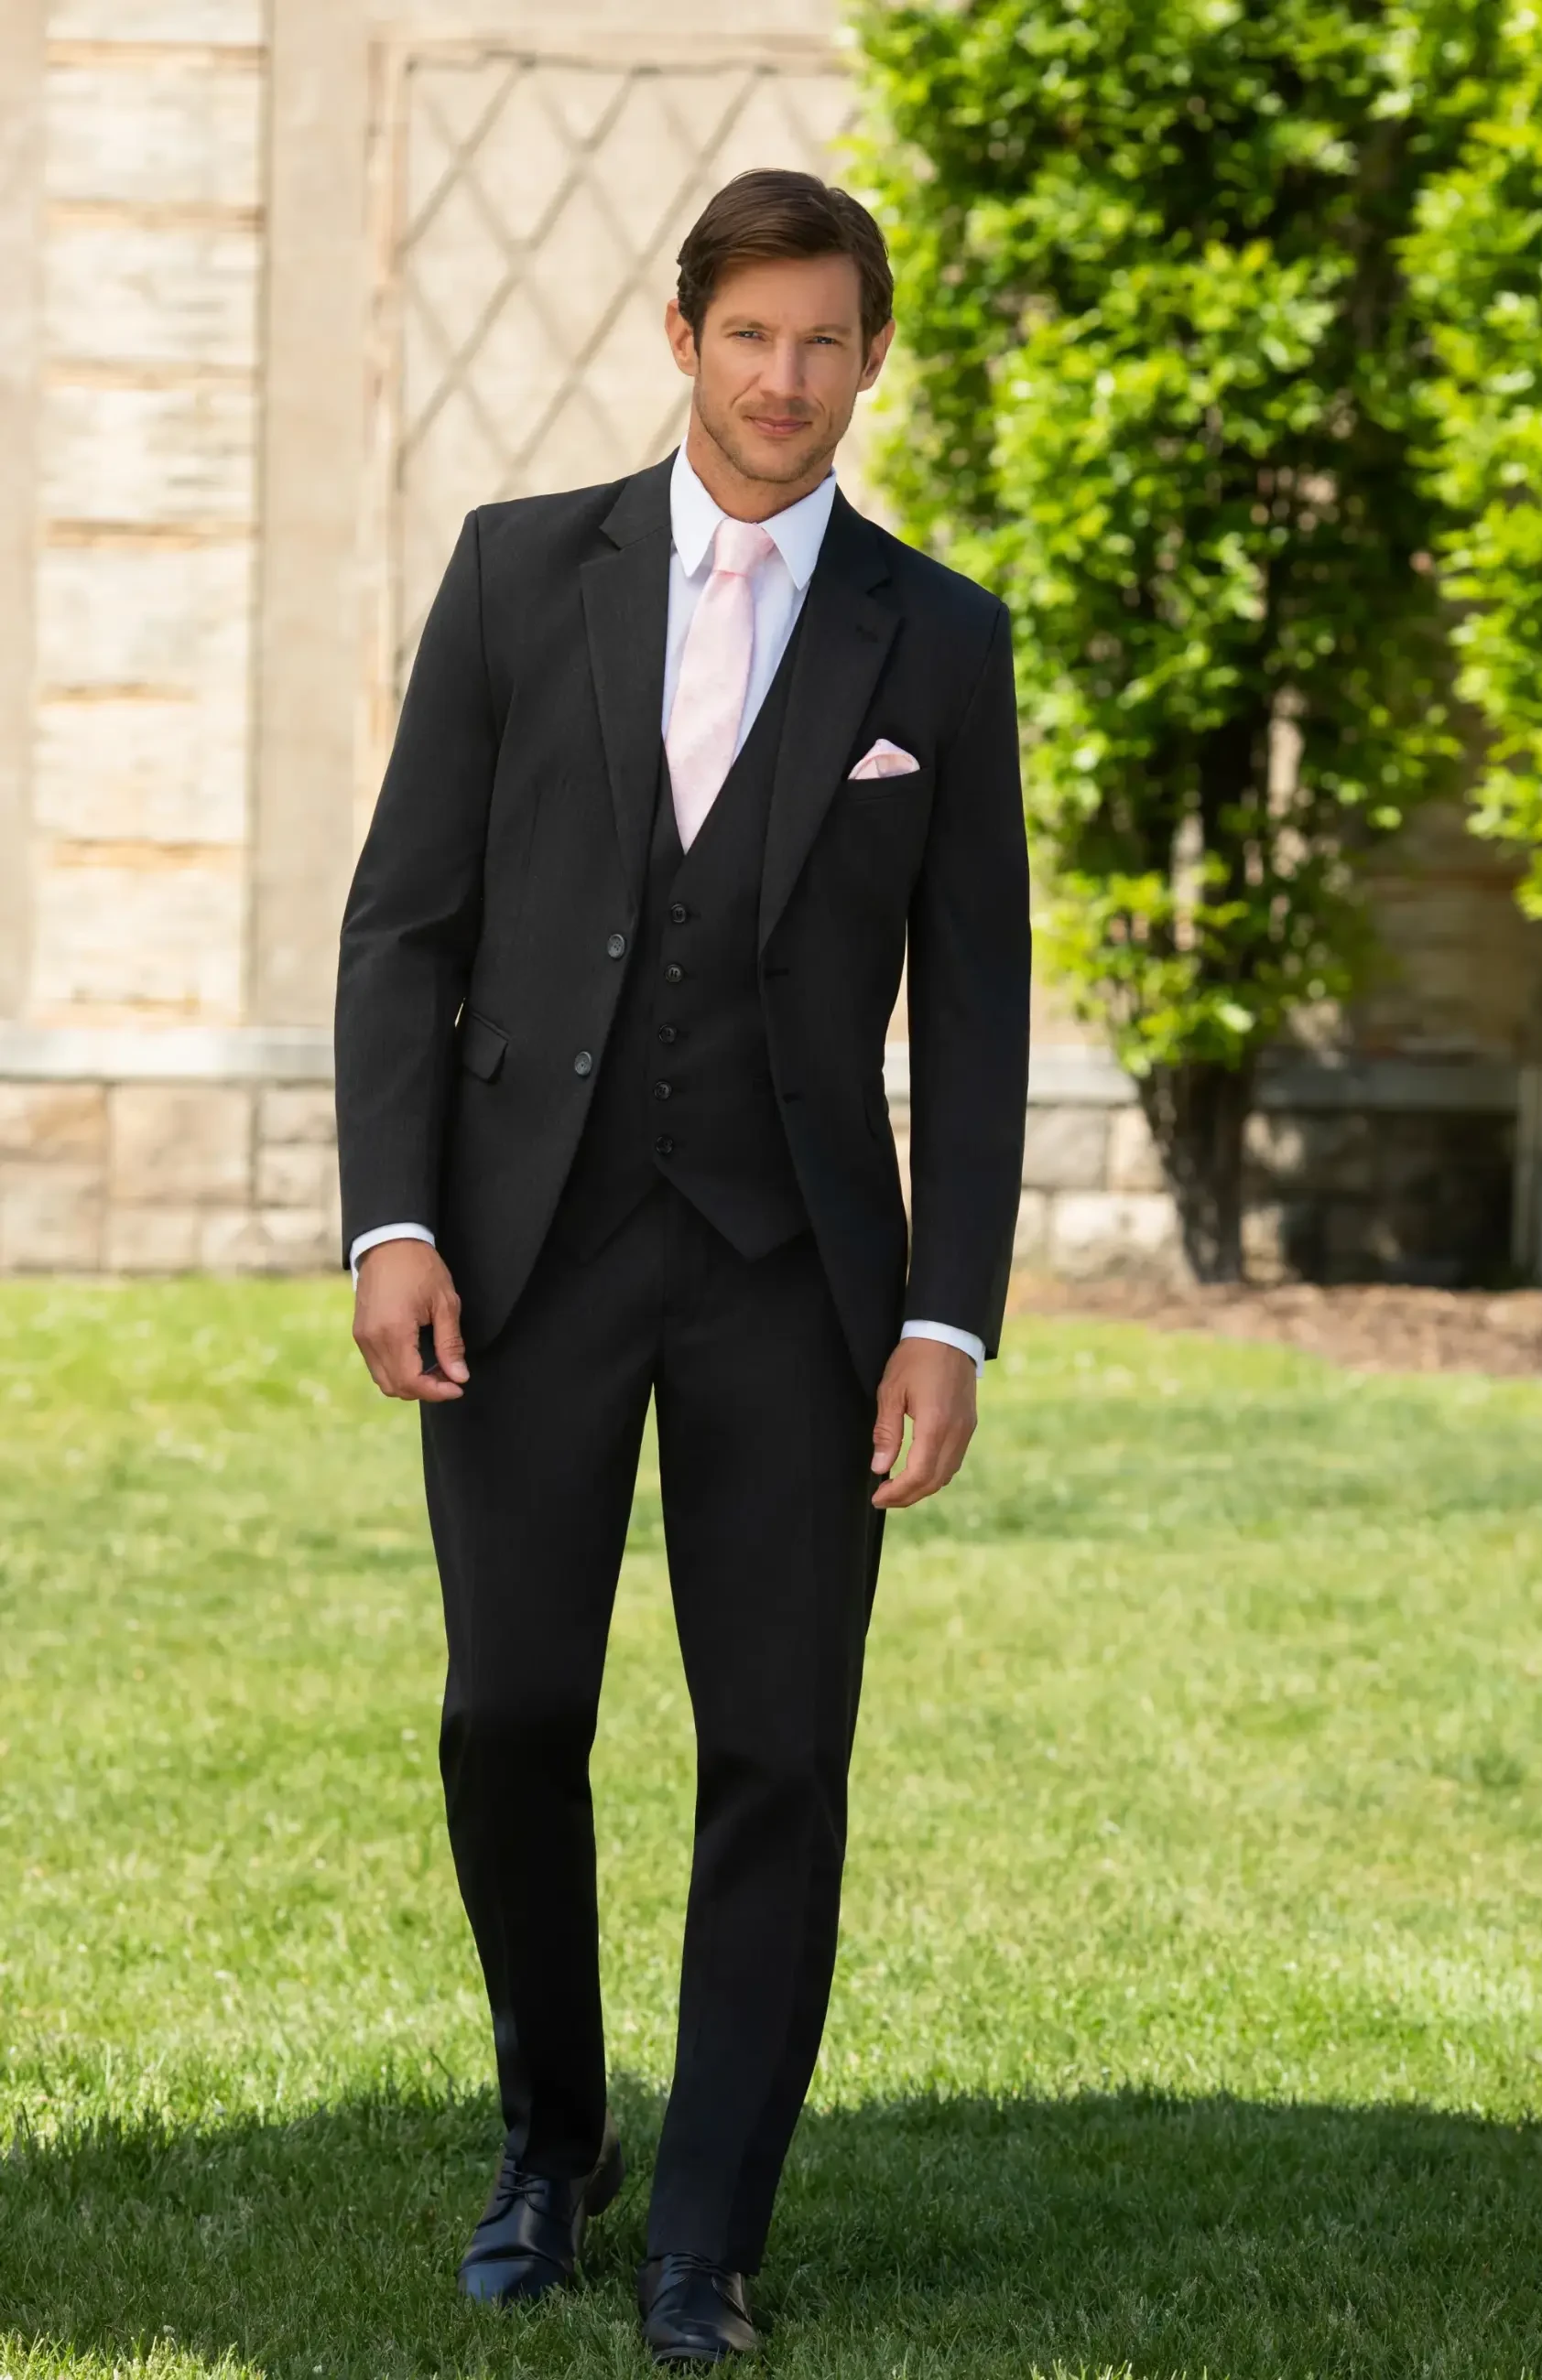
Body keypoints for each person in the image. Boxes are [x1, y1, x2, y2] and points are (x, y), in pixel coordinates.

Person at [334, 167, 1029, 2367]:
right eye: (750, 335)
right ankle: (553, 2138)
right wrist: (391, 1217)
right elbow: (403, 927)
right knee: (508, 1712)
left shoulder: (938, 641)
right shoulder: (517, 572)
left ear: (871, 356)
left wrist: (945, 1314)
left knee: (779, 1750)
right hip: (521, 1251)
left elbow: (979, 1008)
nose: (784, 379)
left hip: (794, 1276)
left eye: (825, 340)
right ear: (680, 338)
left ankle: (701, 2237)